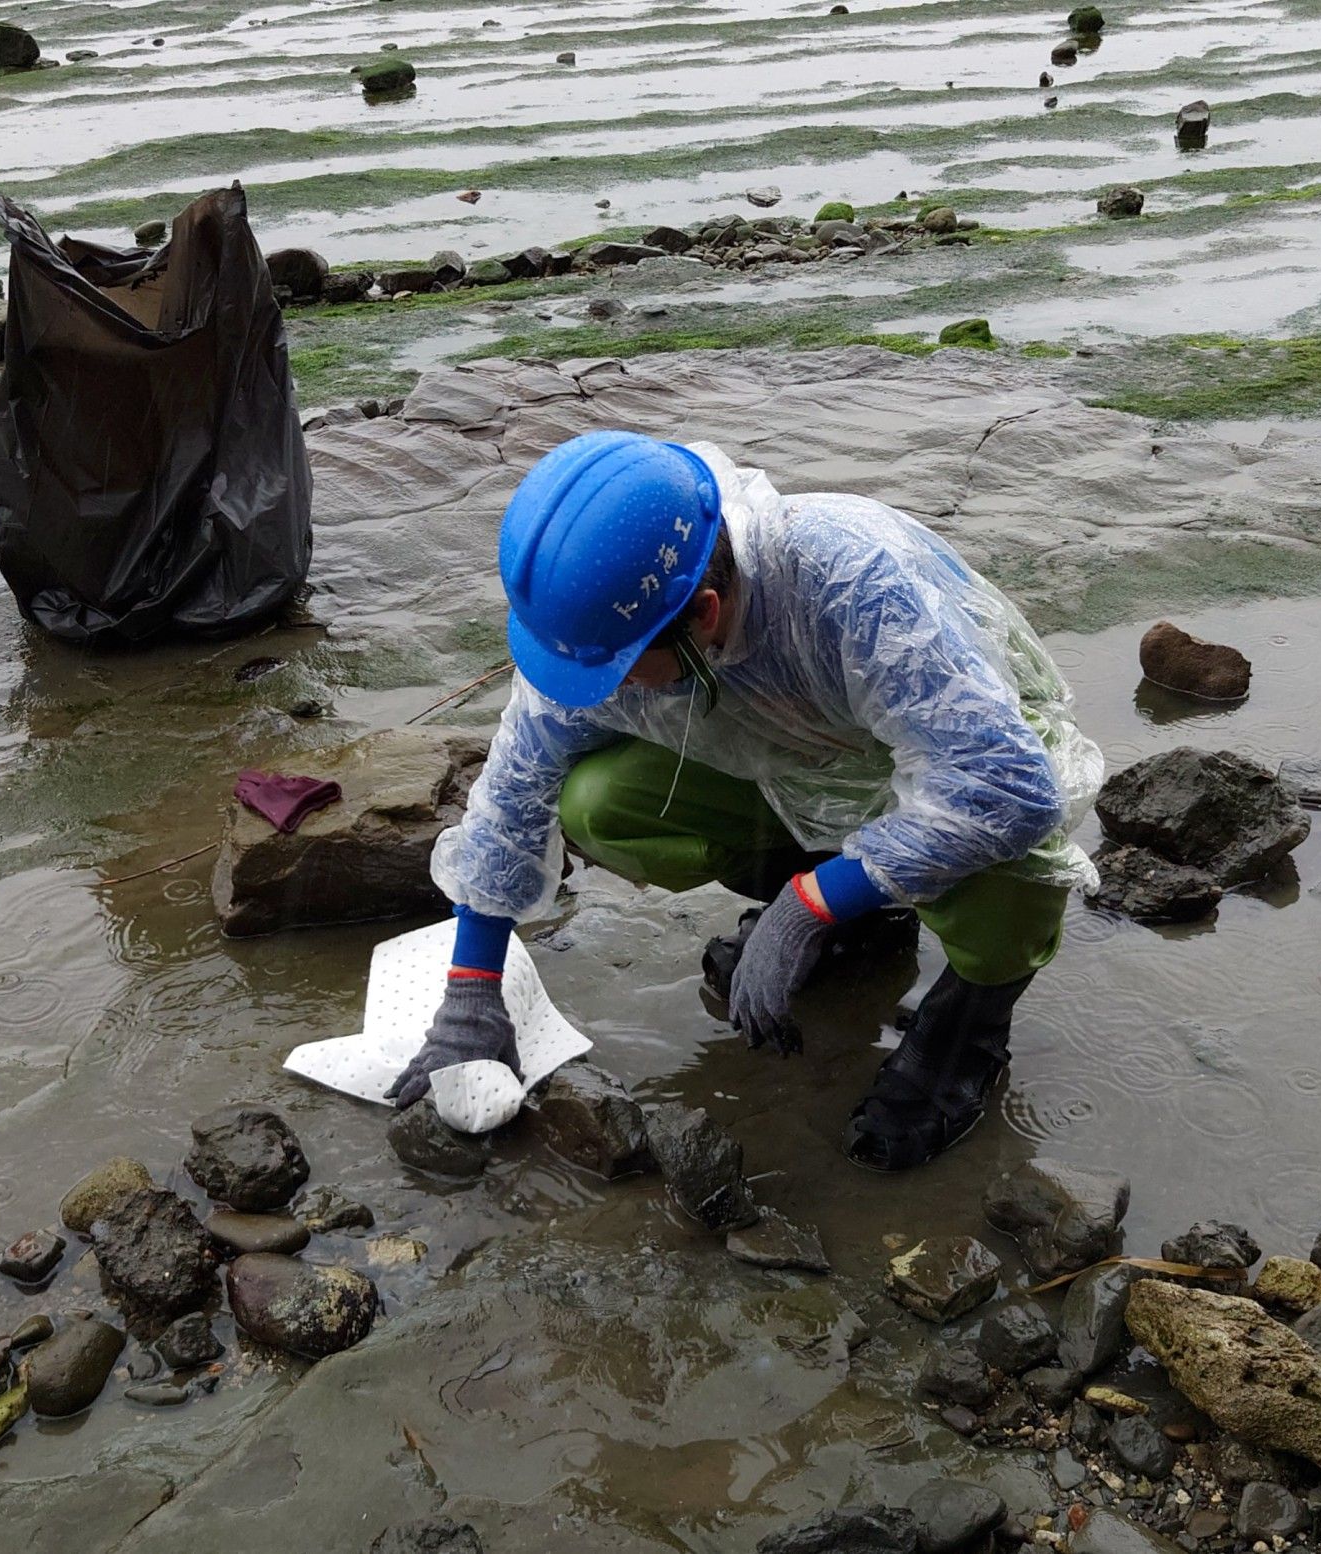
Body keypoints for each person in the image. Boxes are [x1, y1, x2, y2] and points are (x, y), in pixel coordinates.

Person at [397, 431, 1103, 1171]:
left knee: (1011, 863)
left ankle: (971, 1022)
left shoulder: (855, 583)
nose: (600, 692)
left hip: (947, 763)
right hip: (797, 770)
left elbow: (1007, 787)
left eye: (624, 671)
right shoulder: (600, 629)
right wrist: (472, 988)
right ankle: (864, 922)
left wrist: (812, 904)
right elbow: (514, 791)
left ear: (705, 611)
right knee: (598, 801)